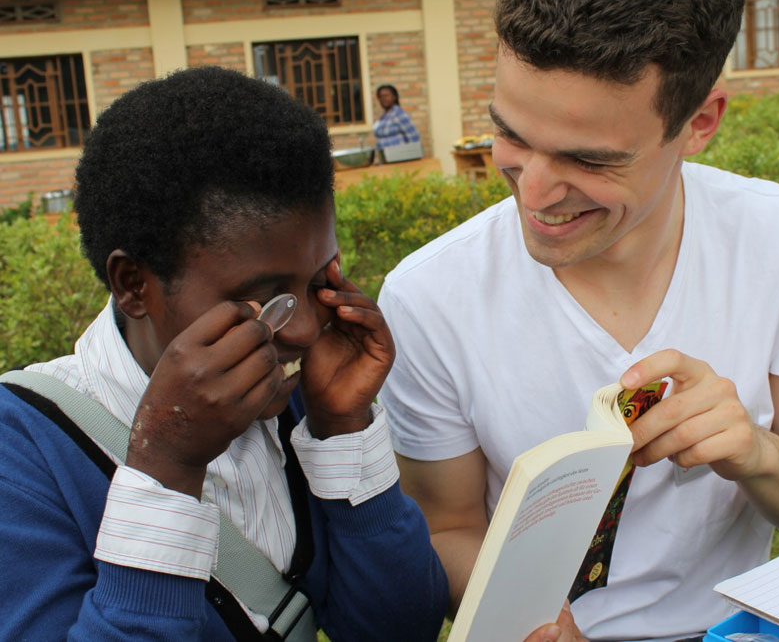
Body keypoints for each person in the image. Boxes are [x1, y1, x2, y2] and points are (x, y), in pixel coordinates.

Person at [376, 0, 779, 640]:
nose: (535, 192)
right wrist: (528, 620)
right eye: (512, 137)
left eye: (589, 160)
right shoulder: (430, 294)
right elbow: (449, 524)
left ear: (699, 123)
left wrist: (757, 451)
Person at [0, 66, 447, 641]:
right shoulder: (24, 452)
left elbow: (400, 628)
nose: (308, 330)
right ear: (134, 284)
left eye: (318, 281)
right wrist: (166, 469)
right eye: (264, 299)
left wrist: (344, 428)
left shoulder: (296, 406)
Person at [372, 84, 421, 152]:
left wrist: (413, 154)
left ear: (394, 97)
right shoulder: (384, 116)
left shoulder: (398, 114)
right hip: (387, 158)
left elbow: (413, 136)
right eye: (380, 96)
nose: (383, 99)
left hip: (400, 156)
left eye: (386, 96)